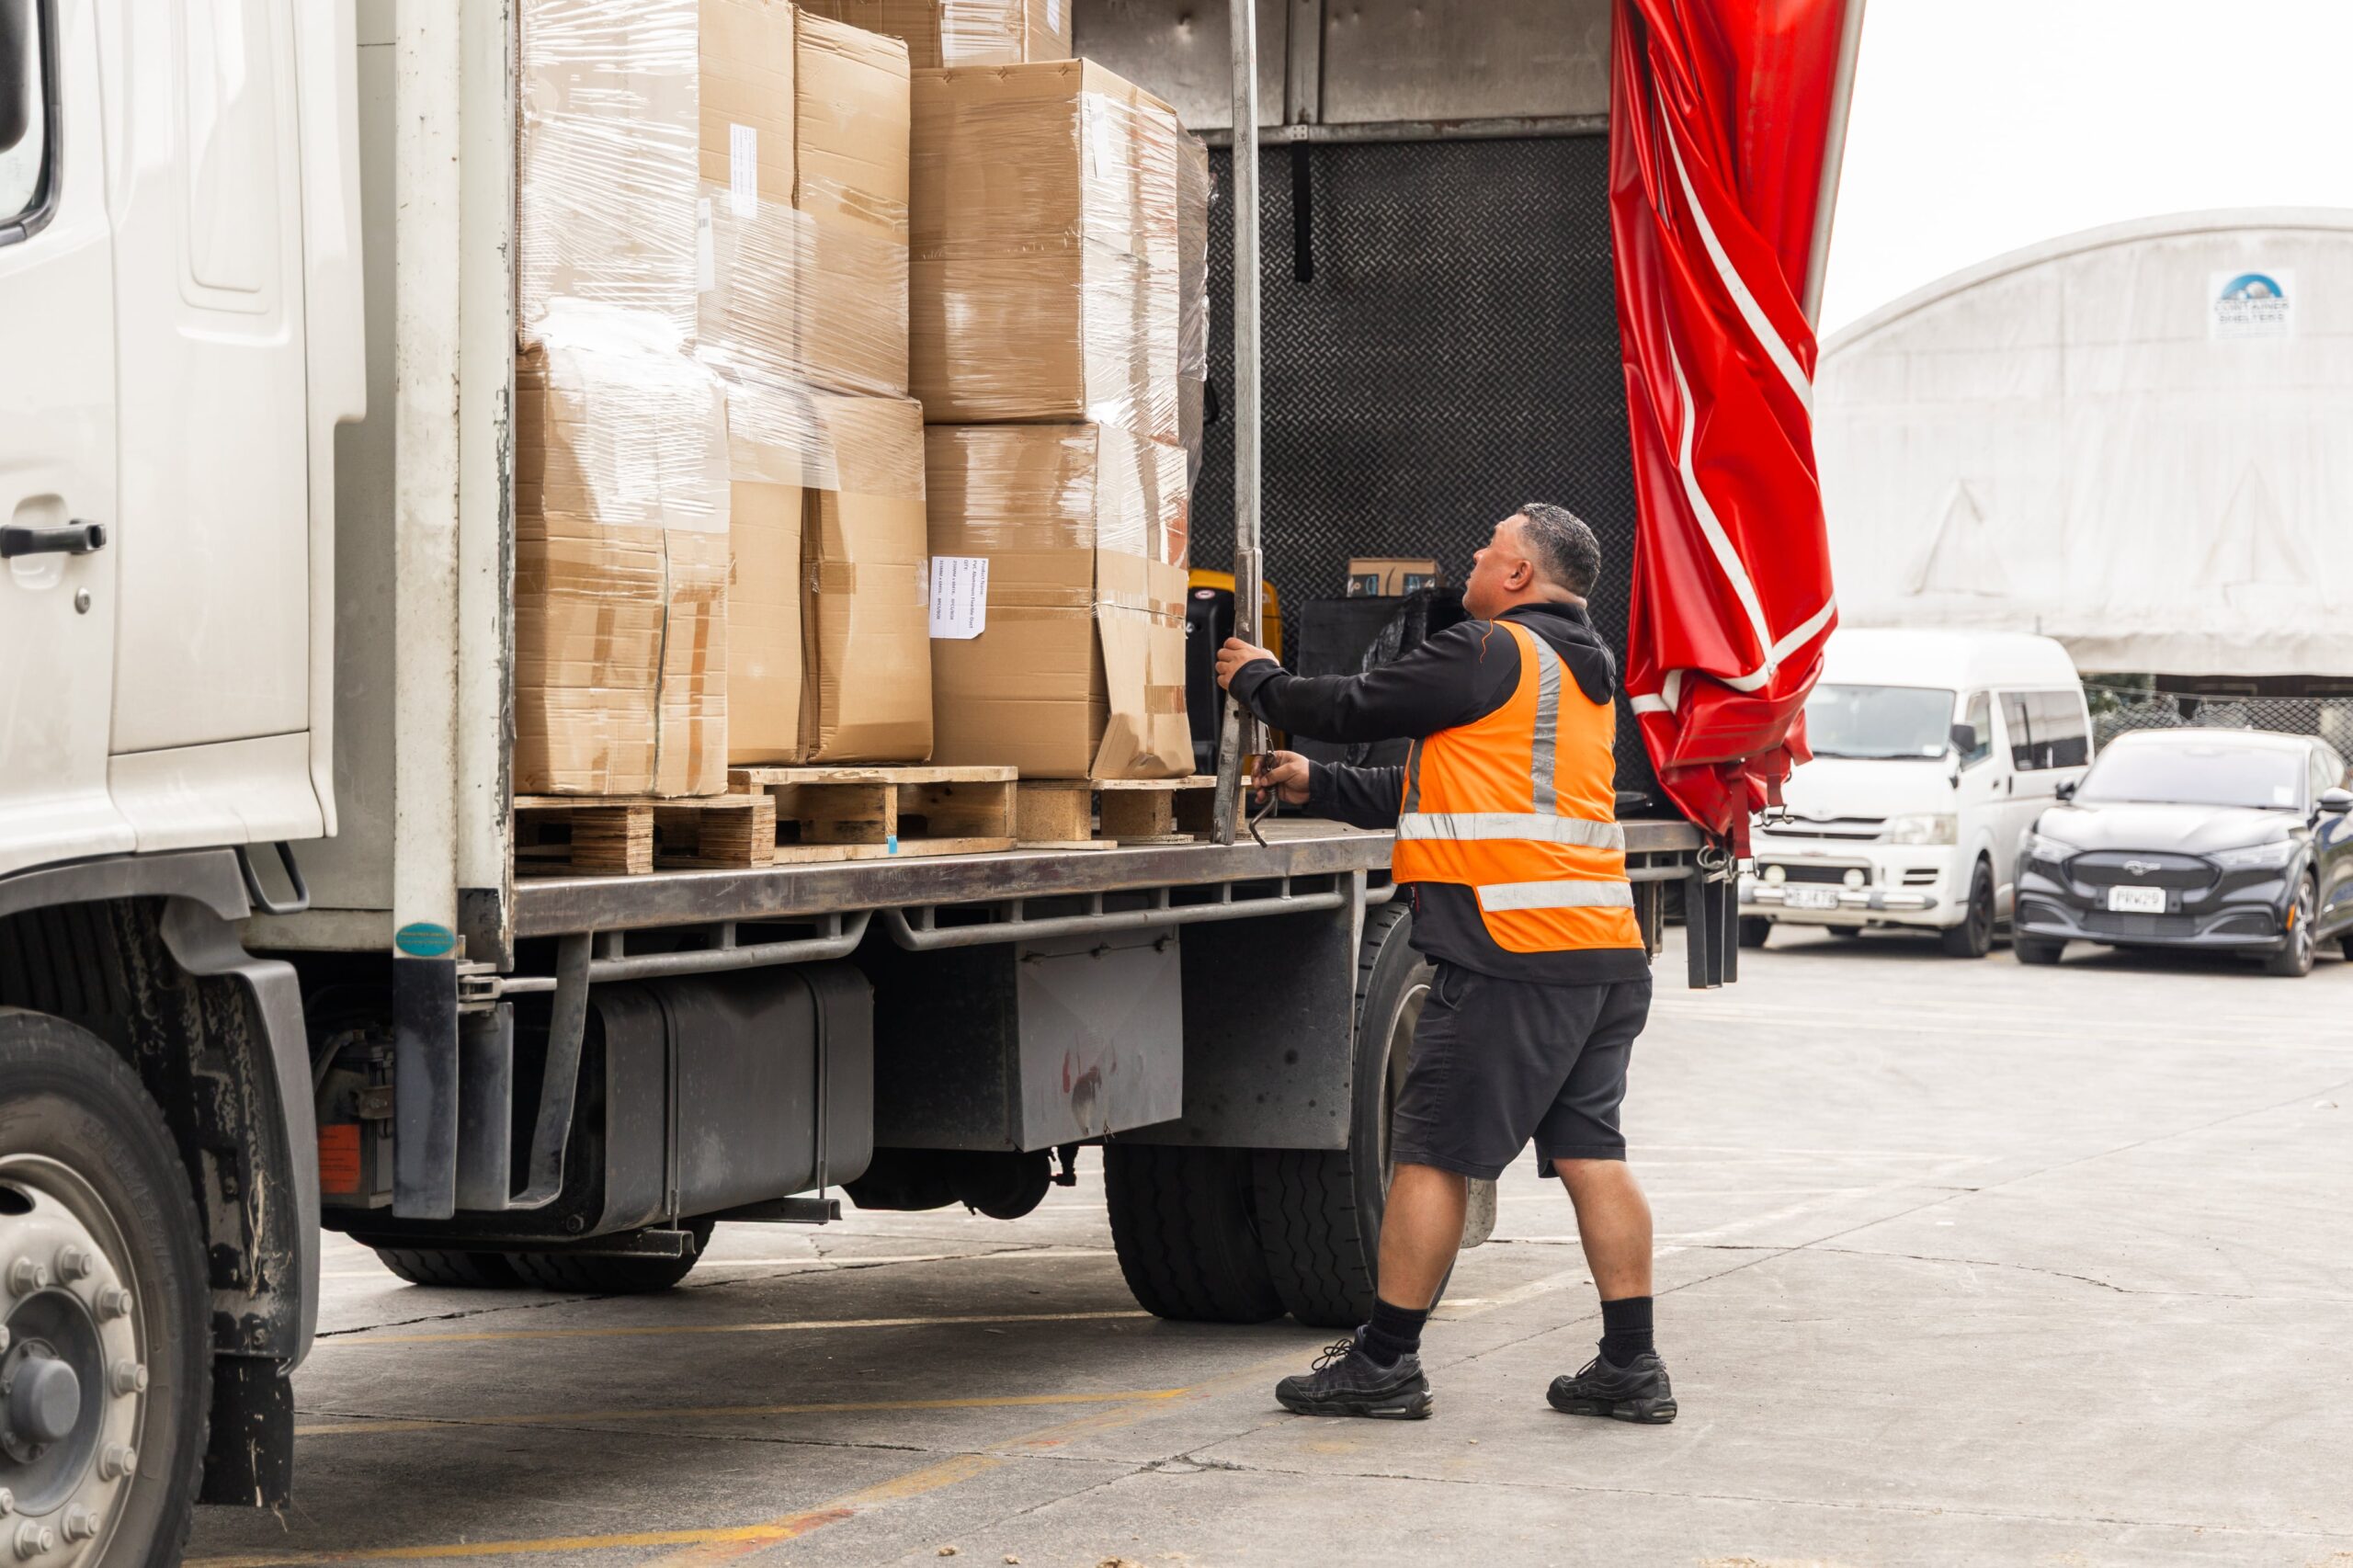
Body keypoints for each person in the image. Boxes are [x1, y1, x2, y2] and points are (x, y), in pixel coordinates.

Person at [1213, 504, 1673, 1425]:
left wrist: (1259, 680)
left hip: (1509, 952)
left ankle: (1384, 1359)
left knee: (1429, 1154)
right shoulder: (1575, 669)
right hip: (1599, 953)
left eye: (1488, 546)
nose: (1471, 554)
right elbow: (1442, 787)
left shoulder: (1488, 649)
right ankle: (1630, 1361)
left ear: (1517, 575)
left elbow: (1359, 702)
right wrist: (1320, 782)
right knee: (1590, 1152)